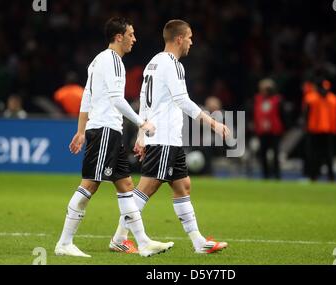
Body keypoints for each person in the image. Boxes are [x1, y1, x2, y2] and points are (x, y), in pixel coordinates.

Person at [55, 17, 174, 258]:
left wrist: (80, 131)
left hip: (106, 130)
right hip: (105, 130)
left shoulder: (97, 60)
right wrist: (142, 122)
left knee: (126, 185)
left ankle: (141, 242)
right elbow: (116, 100)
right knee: (90, 184)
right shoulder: (115, 62)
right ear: (119, 37)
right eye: (131, 34)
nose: (134, 39)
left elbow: (87, 97)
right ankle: (65, 243)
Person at [110, 19, 230, 254]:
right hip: (163, 136)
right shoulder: (174, 64)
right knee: (147, 188)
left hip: (167, 138)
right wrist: (212, 121)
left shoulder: (153, 63)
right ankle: (119, 237)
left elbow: (144, 98)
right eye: (190, 37)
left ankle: (199, 242)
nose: (191, 42)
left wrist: (141, 134)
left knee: (183, 186)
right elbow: (182, 100)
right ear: (179, 39)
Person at [303, 79, 336, 181]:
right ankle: (313, 176)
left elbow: (334, 116)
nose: (324, 91)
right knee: (314, 154)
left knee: (328, 155)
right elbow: (306, 114)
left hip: (328, 131)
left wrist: (334, 129)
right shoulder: (311, 98)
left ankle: (331, 176)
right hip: (314, 130)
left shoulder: (333, 99)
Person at [253, 78, 285, 179]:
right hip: (262, 131)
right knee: (263, 154)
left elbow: (282, 115)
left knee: (275, 154)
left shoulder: (277, 100)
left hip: (274, 131)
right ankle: (265, 175)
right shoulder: (257, 99)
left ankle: (277, 175)